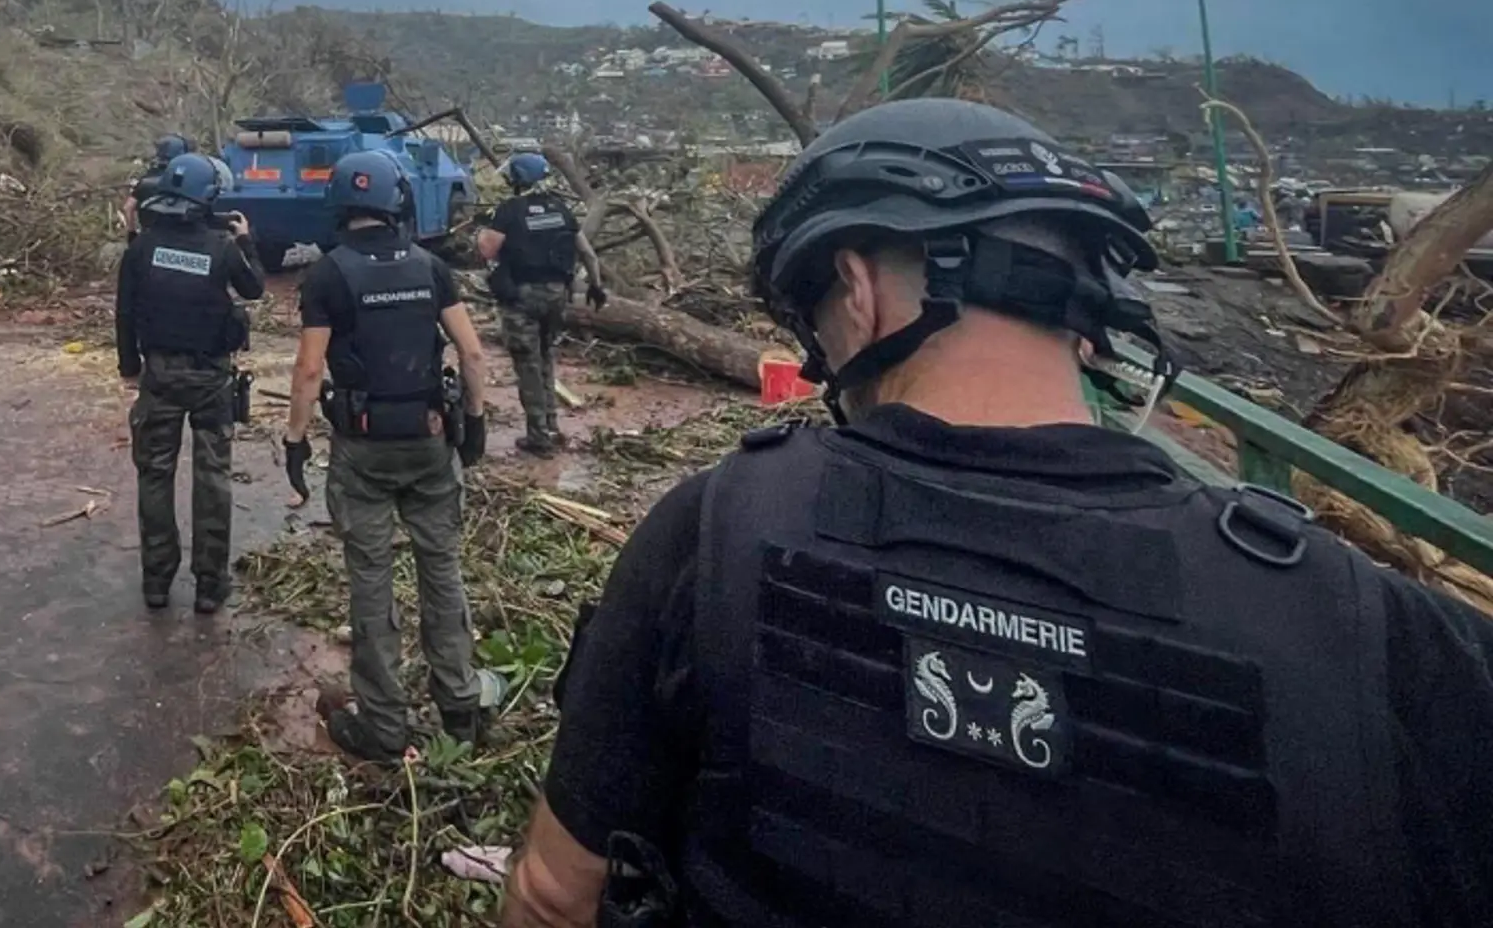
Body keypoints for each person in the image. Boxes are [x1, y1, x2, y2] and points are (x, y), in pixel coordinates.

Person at [501, 98, 1493, 928]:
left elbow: (554, 893)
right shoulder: (1373, 633)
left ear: (854, 288)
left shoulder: (715, 529)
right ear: (1089, 305)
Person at [284, 149, 493, 761]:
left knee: (371, 581)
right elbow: (473, 355)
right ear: (396, 200)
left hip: (363, 451)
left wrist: (295, 442)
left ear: (342, 206)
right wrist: (474, 423)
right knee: (442, 570)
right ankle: (459, 709)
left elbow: (307, 370)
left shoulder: (327, 274)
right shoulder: (429, 267)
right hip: (431, 443)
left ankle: (383, 724)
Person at [117, 151, 264, 613]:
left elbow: (124, 313)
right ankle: (209, 584)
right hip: (211, 379)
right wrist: (247, 242)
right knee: (212, 476)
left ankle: (157, 582)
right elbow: (255, 287)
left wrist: (129, 367)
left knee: (155, 475)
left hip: (159, 374)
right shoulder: (221, 248)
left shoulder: (141, 246)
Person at [476, 152, 607, 456]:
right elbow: (588, 253)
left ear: (517, 179)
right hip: (557, 296)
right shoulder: (560, 209)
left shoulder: (509, 211)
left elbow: (487, 250)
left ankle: (539, 437)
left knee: (528, 364)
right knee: (546, 356)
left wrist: (484, 231)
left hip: (522, 298)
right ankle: (551, 425)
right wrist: (597, 287)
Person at [120, 133, 194, 238]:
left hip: (148, 237)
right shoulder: (188, 182)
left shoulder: (145, 181)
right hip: (179, 238)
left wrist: (132, 232)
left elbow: (128, 207)